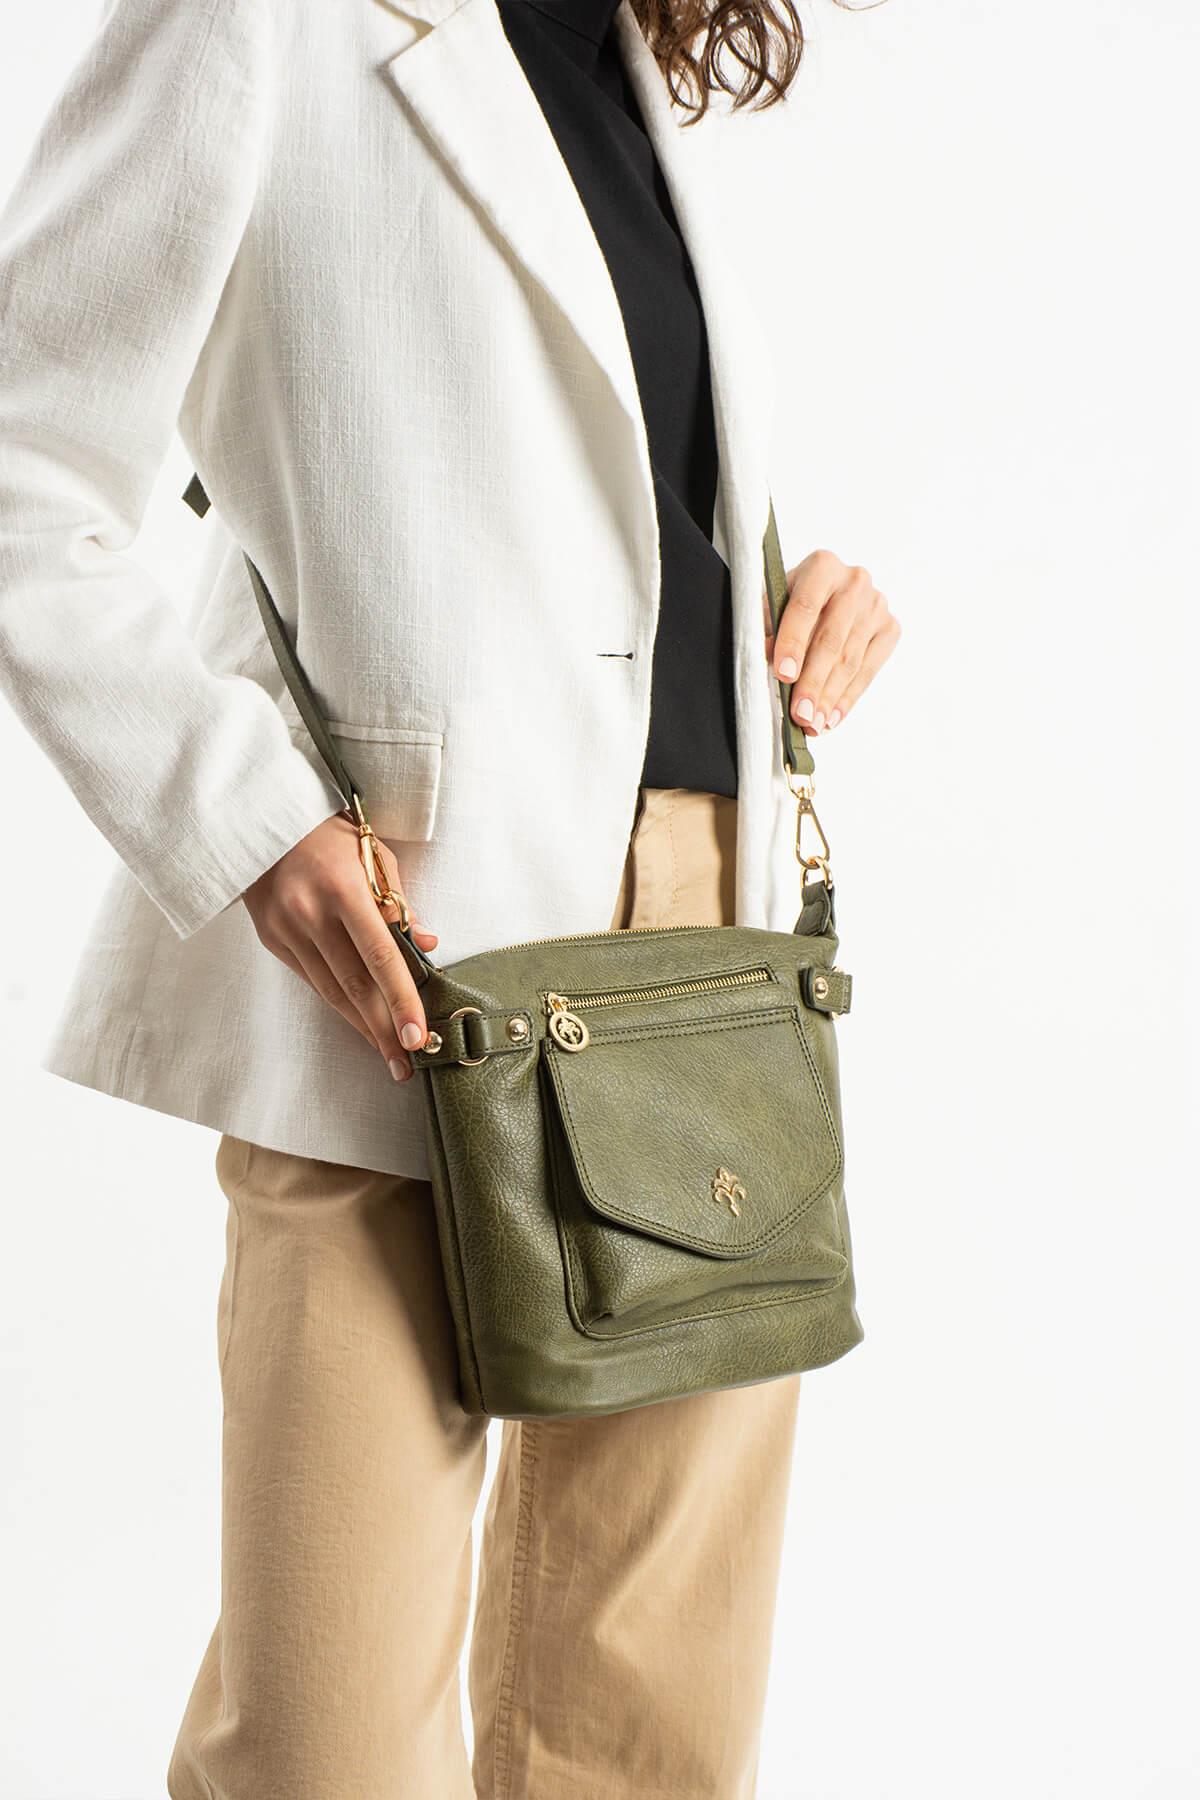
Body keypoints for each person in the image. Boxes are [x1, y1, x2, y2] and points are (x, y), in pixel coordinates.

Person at [0, 0, 900, 1793]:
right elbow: (27, 473)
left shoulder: (621, 49)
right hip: (403, 954)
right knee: (323, 1743)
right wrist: (244, 824)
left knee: (648, 1735)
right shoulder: (256, 20)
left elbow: (573, 487)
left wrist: (794, 589)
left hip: (703, 925)